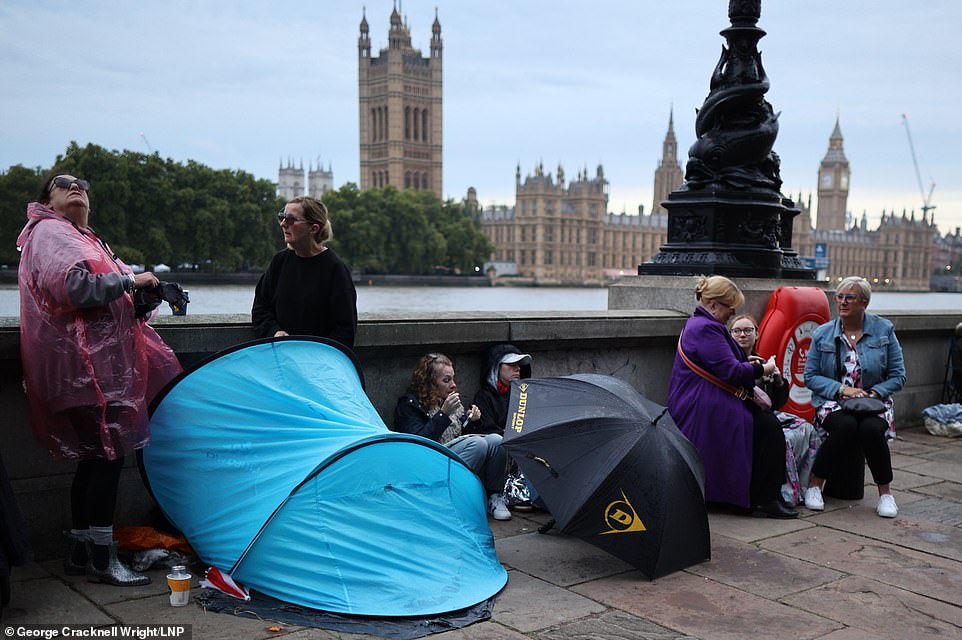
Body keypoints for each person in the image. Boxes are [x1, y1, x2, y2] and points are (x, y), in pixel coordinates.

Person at [17, 174, 182, 586]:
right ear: (48, 203)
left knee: (95, 460)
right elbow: (71, 287)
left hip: (93, 370)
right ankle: (104, 561)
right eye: (63, 184)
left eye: (83, 185)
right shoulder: (53, 233)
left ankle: (79, 552)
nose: (76, 187)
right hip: (86, 371)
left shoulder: (85, 237)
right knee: (108, 460)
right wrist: (132, 280)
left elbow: (110, 296)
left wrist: (146, 294)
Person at [667, 275, 797, 518]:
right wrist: (764, 369)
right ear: (715, 305)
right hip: (704, 403)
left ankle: (762, 496)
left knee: (766, 426)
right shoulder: (707, 328)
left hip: (702, 398)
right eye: (730, 307)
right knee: (768, 428)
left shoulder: (698, 324)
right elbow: (732, 372)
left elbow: (718, 364)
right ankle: (764, 498)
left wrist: (746, 361)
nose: (733, 312)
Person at [803, 276, 905, 518]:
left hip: (873, 403)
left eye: (850, 297)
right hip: (834, 402)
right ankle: (815, 486)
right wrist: (842, 389)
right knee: (846, 426)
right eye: (839, 297)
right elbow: (811, 376)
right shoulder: (823, 334)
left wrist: (876, 392)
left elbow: (898, 375)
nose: (843, 302)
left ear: (864, 303)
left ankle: (886, 495)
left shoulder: (884, 330)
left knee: (870, 430)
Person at [394, 353, 512, 521]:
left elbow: (462, 435)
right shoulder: (410, 404)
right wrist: (443, 415)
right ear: (429, 383)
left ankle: (494, 497)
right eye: (446, 380)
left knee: (496, 441)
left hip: (452, 455)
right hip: (429, 462)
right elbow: (418, 444)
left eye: (453, 379)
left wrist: (473, 421)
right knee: (477, 444)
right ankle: (447, 498)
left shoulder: (450, 402)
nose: (453, 385)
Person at [729, 314, 821, 507]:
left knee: (807, 428)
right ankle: (783, 492)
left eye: (748, 330)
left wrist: (778, 380)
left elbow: (777, 402)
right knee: (779, 436)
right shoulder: (729, 363)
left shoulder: (763, 362)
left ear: (757, 334)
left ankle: (808, 488)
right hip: (744, 417)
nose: (743, 335)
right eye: (737, 331)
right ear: (729, 335)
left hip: (767, 415)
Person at [252, 196, 358, 348]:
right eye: (282, 217)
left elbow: (345, 330)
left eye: (290, 220)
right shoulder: (279, 262)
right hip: (280, 358)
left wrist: (312, 353)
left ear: (313, 228)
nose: (283, 224)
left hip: (318, 364)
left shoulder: (335, 269)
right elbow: (260, 309)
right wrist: (275, 332)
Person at [472, 344, 532, 435]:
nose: (518, 368)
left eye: (519, 364)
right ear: (496, 368)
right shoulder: (484, 397)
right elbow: (487, 430)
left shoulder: (527, 394)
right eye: (511, 364)